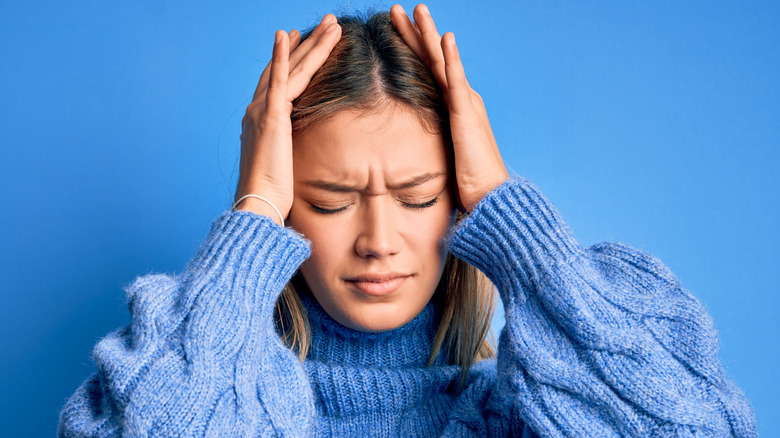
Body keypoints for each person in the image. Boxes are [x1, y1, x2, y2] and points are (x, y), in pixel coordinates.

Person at [58, 4, 757, 437]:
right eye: (330, 200)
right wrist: (253, 217)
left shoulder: (517, 421)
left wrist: (521, 236)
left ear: (459, 202)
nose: (379, 243)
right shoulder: (194, 396)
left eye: (419, 197)